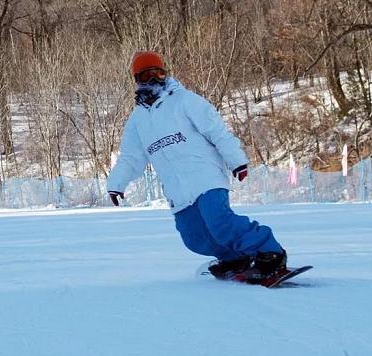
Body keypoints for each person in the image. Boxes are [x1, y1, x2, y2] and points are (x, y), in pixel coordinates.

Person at [106, 51, 287, 281]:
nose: (154, 80)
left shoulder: (184, 100)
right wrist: (116, 183)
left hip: (205, 176)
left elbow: (216, 130)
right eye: (147, 75)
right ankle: (234, 258)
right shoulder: (137, 121)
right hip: (177, 189)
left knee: (219, 222)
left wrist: (236, 160)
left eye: (159, 73)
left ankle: (268, 251)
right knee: (194, 238)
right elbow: (131, 158)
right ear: (137, 80)